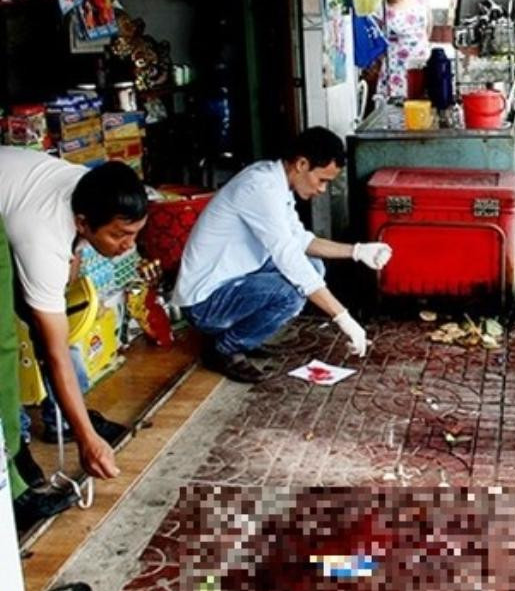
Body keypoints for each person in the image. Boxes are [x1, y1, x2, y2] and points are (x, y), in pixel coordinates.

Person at [174, 127, 393, 383]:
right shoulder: (260, 189)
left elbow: (300, 241)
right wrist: (343, 318)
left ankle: (243, 335)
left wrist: (357, 251)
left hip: (233, 280)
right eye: (322, 180)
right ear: (301, 164)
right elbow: (289, 257)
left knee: (312, 267)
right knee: (290, 293)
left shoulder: (276, 182)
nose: (322, 189)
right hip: (205, 303)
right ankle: (225, 348)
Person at [0, 152, 148, 525]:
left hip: (14, 204)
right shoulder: (42, 239)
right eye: (119, 235)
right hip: (17, 219)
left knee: (45, 320)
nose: (128, 246)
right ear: (83, 222)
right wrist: (87, 440)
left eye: (134, 234)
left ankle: (54, 426)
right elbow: (55, 354)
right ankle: (13, 469)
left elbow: (67, 270)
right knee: (5, 347)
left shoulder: (92, 189)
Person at [372, 0, 430, 99]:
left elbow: (427, 32)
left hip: (422, 70)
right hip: (395, 76)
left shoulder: (420, 0)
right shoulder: (379, 11)